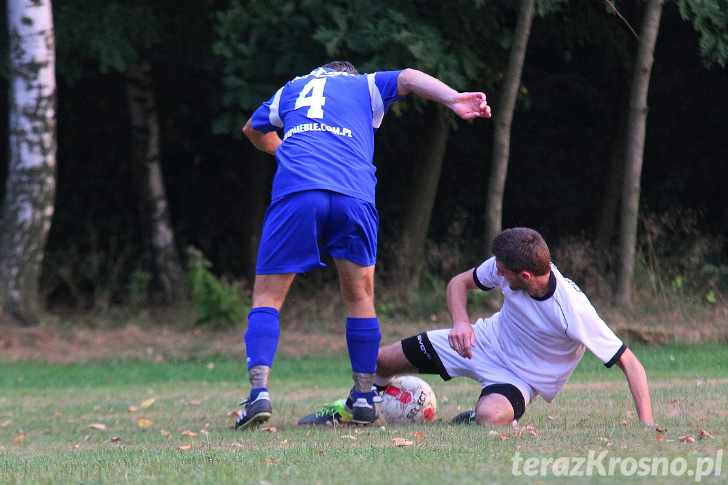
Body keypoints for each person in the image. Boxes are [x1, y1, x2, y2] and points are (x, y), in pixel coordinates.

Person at [236, 60, 492, 430]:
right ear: (348, 74)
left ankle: (258, 393)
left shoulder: (292, 87)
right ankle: (364, 397)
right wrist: (453, 98)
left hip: (297, 192)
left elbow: (252, 129)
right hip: (352, 194)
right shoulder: (364, 85)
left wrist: (288, 155)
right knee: (360, 298)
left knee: (267, 298)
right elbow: (407, 78)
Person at [298, 227, 654, 427]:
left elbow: (630, 362)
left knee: (489, 418)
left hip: (520, 378)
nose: (496, 273)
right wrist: (461, 322)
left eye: (503, 272)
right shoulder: (508, 265)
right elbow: (458, 283)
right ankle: (356, 408)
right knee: (378, 361)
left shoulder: (573, 312)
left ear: (525, 276)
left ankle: (471, 417)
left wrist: (645, 427)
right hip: (480, 341)